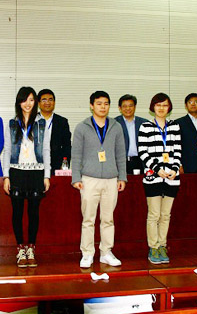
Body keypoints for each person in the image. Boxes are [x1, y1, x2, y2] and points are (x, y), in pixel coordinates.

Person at [71, 91, 127, 268]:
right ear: (91, 106)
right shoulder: (82, 127)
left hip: (111, 179)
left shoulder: (116, 127)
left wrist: (122, 177)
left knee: (108, 219)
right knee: (88, 219)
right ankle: (87, 253)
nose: (103, 107)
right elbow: (76, 155)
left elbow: (120, 154)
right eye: (99, 103)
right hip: (89, 179)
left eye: (106, 103)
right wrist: (76, 177)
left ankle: (106, 252)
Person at [2, 87, 51, 267]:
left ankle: (31, 248)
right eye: (24, 100)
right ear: (19, 102)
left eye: (31, 100)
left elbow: (46, 149)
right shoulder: (12, 124)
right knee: (17, 212)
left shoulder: (42, 123)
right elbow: (7, 150)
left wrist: (47, 175)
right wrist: (6, 176)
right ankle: (20, 249)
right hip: (16, 172)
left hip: (36, 172)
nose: (28, 104)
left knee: (33, 213)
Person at [138, 93, 182, 265]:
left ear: (169, 107)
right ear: (153, 107)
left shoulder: (175, 126)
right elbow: (143, 152)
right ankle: (153, 247)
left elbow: (178, 150)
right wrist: (157, 169)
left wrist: (174, 169)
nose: (161, 108)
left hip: (172, 178)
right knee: (154, 214)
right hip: (153, 177)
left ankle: (162, 245)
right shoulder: (145, 127)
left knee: (165, 215)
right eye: (158, 105)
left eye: (165, 105)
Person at [37, 89, 71, 175]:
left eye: (50, 99)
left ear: (54, 102)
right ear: (38, 103)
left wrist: (64, 165)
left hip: (56, 165)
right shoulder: (32, 120)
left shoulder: (62, 122)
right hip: (36, 165)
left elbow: (67, 146)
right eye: (44, 100)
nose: (47, 102)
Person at [175, 93, 197, 174]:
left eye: (196, 102)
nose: (193, 104)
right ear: (186, 105)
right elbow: (176, 145)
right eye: (190, 102)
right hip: (187, 163)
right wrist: (179, 164)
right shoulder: (178, 123)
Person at [115, 94, 148, 174]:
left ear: (135, 107)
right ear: (119, 108)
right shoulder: (114, 123)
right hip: (121, 162)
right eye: (124, 106)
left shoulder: (144, 123)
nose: (128, 108)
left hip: (140, 162)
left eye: (130, 106)